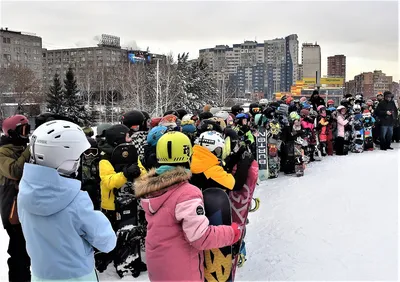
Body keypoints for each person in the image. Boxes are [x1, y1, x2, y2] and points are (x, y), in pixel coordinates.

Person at [135, 131, 241, 281]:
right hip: (182, 270)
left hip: (158, 267)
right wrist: (232, 233)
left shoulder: (151, 189)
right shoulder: (187, 193)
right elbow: (200, 237)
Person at [18, 120, 116, 281]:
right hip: (77, 276)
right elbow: (106, 241)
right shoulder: (75, 200)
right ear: (66, 158)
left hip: (40, 275)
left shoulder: (25, 191)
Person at [0, 114, 31, 282]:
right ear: (12, 133)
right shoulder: (2, 153)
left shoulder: (20, 149)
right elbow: (15, 171)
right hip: (12, 211)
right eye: (23, 131)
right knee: (18, 253)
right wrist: (30, 150)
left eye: (28, 131)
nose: (26, 135)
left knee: (29, 251)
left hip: (26, 207)